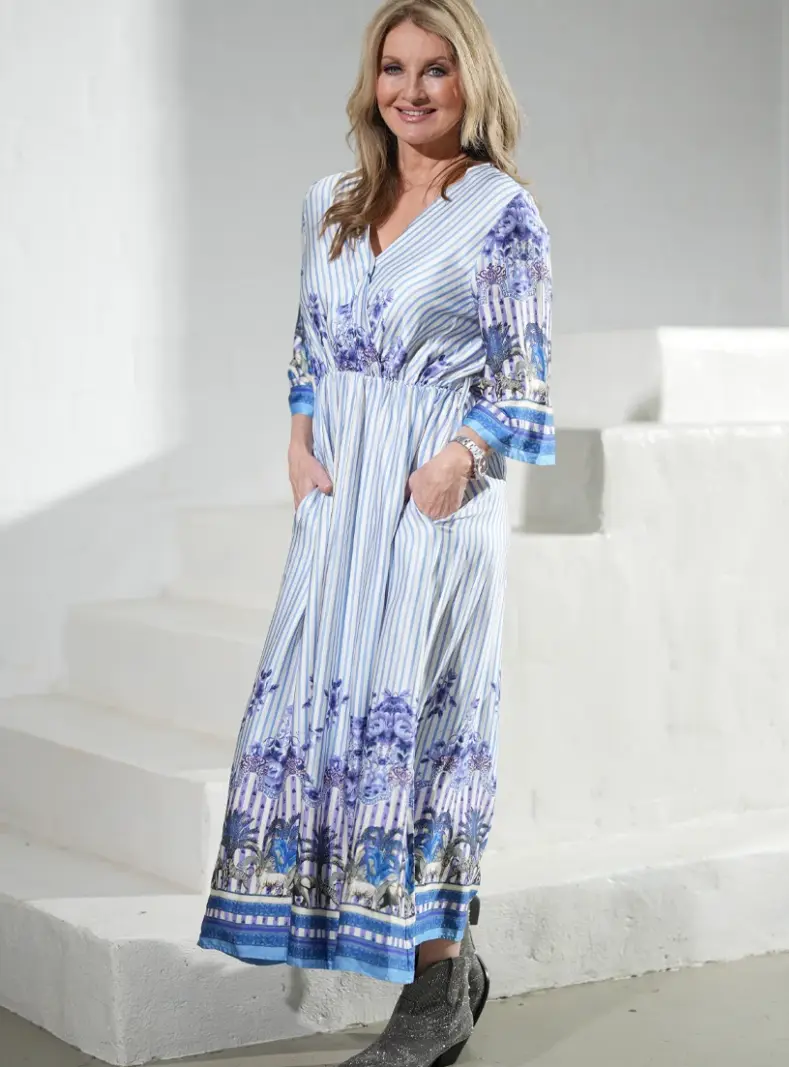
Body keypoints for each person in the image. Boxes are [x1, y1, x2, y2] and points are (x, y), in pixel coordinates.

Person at [198, 0, 554, 1063]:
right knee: (322, 724)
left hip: (432, 502)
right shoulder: (331, 204)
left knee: (419, 729)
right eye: (393, 68)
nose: (411, 89)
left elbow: (523, 373)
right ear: (372, 83)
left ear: (470, 81)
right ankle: (447, 963)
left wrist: (458, 460)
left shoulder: (502, 214)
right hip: (338, 503)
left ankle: (434, 995)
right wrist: (297, 440)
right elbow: (308, 342)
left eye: (434, 68)